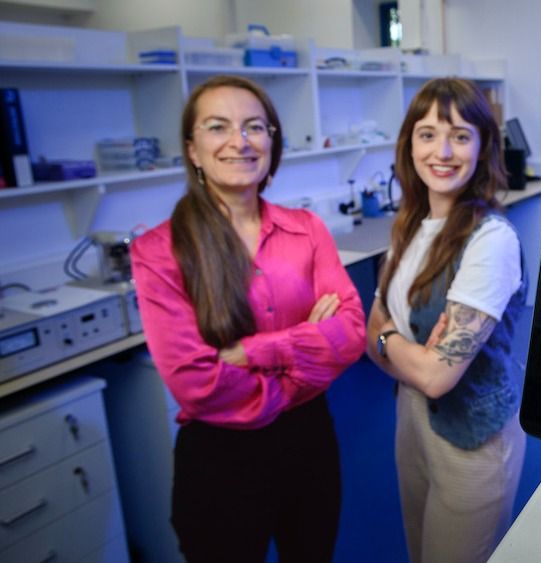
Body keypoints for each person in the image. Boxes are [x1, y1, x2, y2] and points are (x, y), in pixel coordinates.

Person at [130, 74, 365, 563]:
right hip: (221, 457)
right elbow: (196, 382)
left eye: (255, 127)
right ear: (192, 149)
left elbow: (350, 335)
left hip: (310, 444)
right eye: (218, 127)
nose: (240, 141)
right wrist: (307, 359)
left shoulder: (306, 230)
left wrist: (258, 353)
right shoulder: (160, 252)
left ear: (271, 141)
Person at [366, 77, 528, 563]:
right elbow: (368, 325)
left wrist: (385, 339)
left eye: (460, 135)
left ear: (482, 148)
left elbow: (437, 376)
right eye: (428, 133)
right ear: (409, 144)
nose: (443, 150)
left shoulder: (490, 241)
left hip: (472, 441)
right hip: (411, 423)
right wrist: (404, 348)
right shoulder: (411, 226)